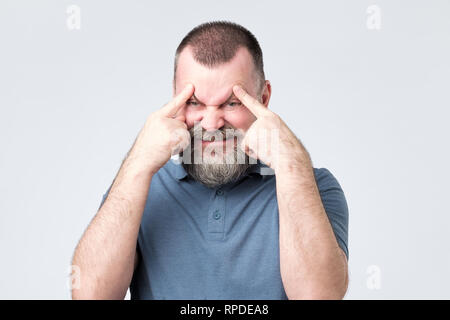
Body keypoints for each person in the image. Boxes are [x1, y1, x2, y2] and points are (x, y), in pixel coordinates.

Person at [71, 21, 349, 300]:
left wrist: (291, 165)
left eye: (232, 103)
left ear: (263, 99)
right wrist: (138, 163)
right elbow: (91, 295)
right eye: (195, 103)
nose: (212, 123)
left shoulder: (313, 186)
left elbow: (320, 297)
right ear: (176, 100)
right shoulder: (140, 185)